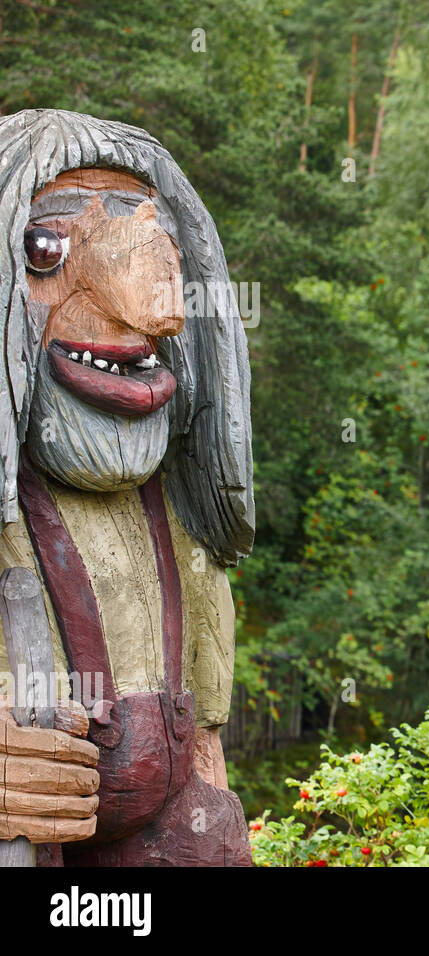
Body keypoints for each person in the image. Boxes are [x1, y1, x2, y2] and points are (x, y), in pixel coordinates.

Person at [0, 109, 255, 866]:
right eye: (47, 252)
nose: (141, 319)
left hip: (159, 831)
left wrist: (210, 801)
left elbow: (205, 731)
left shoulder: (179, 517)